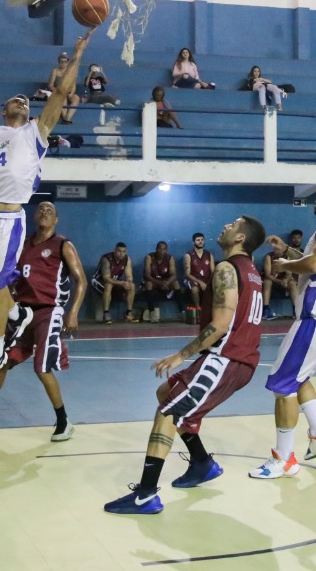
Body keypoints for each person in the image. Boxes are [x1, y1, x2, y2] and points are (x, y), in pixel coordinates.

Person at [0, 31, 92, 387]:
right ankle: (19, 313)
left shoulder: (36, 132)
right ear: (3, 110)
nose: (23, 102)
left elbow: (58, 94)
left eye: (26, 102)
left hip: (9, 220)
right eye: (16, 101)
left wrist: (78, 56)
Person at [104, 216, 267, 515]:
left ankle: (145, 495)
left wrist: (181, 355)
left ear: (241, 238)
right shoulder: (252, 271)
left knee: (168, 411)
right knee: (165, 393)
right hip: (235, 360)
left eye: (232, 225)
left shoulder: (226, 269)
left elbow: (219, 325)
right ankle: (202, 463)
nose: (225, 227)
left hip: (225, 359)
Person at [250, 184, 316, 479]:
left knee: (281, 387)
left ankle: (284, 459)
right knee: (300, 378)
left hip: (315, 322)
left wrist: (286, 263)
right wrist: (287, 251)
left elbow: (313, 263)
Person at [0, 201, 87, 439]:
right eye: (40, 209)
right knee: (2, 362)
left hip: (49, 311)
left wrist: (73, 312)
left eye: (50, 211)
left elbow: (82, 281)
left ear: (56, 220)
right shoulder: (22, 245)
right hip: (22, 313)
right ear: (33, 216)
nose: (44, 212)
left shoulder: (63, 245)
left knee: (41, 368)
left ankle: (63, 421)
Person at [142, 241, 186, 323]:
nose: (162, 251)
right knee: (148, 284)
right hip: (153, 281)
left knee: (175, 283)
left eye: (164, 249)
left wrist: (167, 283)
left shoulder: (170, 258)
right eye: (160, 249)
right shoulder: (149, 257)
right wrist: (160, 283)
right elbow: (147, 276)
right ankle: (152, 312)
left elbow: (174, 275)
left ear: (166, 250)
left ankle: (182, 312)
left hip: (165, 282)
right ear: (156, 249)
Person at [95, 242, 138, 323]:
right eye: (119, 251)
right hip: (98, 281)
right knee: (109, 285)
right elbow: (106, 278)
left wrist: (128, 282)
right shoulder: (106, 259)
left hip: (114, 282)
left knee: (132, 285)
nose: (121, 254)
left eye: (124, 251)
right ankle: (106, 313)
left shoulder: (127, 259)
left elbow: (129, 275)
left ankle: (128, 313)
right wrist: (122, 283)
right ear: (114, 250)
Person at [183, 232, 214, 316]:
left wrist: (211, 283)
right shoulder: (188, 255)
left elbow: (213, 271)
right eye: (198, 240)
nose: (200, 242)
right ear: (193, 242)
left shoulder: (209, 254)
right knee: (195, 289)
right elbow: (187, 274)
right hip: (192, 278)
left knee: (216, 287)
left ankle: (212, 311)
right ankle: (198, 310)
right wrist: (200, 282)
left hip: (206, 279)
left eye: (202, 240)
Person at [46, 52, 81, 125]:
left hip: (68, 92)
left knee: (76, 98)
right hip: (59, 92)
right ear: (59, 62)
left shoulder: (71, 72)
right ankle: (65, 118)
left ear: (68, 62)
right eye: (61, 61)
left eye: (65, 61)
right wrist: (57, 90)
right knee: (62, 98)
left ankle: (68, 117)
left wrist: (71, 93)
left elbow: (73, 85)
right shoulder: (55, 71)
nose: (63, 63)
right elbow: (50, 85)